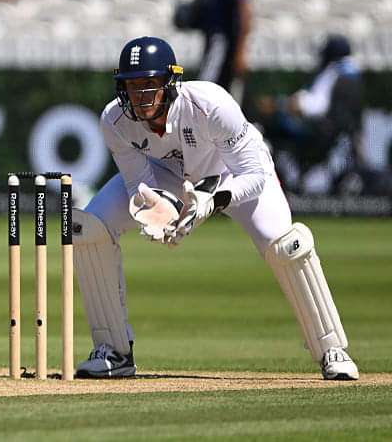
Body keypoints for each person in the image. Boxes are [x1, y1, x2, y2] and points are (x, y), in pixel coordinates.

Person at [71, 36, 358, 381]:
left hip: (231, 173)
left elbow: (253, 173)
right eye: (132, 86)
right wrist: (162, 216)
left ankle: (332, 350)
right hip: (171, 175)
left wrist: (213, 200)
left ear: (169, 83)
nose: (141, 96)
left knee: (287, 246)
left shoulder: (210, 103)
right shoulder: (114, 121)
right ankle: (114, 352)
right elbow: (139, 186)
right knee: (90, 228)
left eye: (150, 85)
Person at [256, 34, 363, 193]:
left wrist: (280, 104)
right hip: (333, 135)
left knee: (265, 131)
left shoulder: (334, 72)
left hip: (317, 133)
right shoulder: (353, 73)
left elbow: (315, 105)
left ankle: (271, 186)